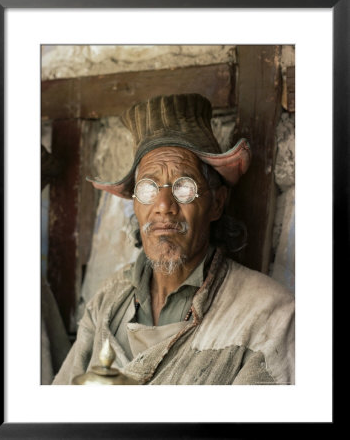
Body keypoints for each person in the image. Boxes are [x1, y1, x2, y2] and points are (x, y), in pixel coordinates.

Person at [53, 93, 294, 385]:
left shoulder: (268, 315)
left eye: (183, 186)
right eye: (148, 188)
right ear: (135, 205)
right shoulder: (107, 300)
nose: (163, 204)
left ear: (216, 203)